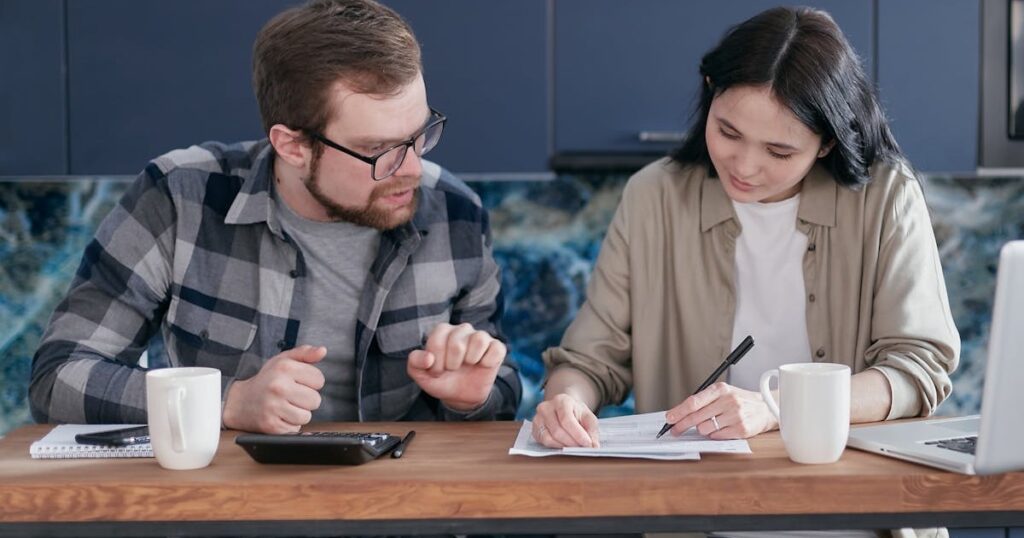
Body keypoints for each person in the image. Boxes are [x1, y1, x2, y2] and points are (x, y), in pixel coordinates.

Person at [29, 0, 521, 433]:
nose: (413, 168)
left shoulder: (455, 213)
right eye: (379, 150)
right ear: (292, 146)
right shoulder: (180, 198)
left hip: (400, 512)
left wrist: (473, 395)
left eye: (420, 135)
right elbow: (58, 378)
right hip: (228, 511)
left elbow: (500, 392)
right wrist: (228, 403)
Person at [533, 6, 960, 450]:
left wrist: (776, 406)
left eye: (778, 152)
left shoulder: (885, 196)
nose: (745, 167)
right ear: (709, 90)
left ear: (826, 143)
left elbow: (917, 369)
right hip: (695, 509)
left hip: (858, 505)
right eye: (728, 132)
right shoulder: (654, 196)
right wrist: (565, 401)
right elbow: (588, 360)